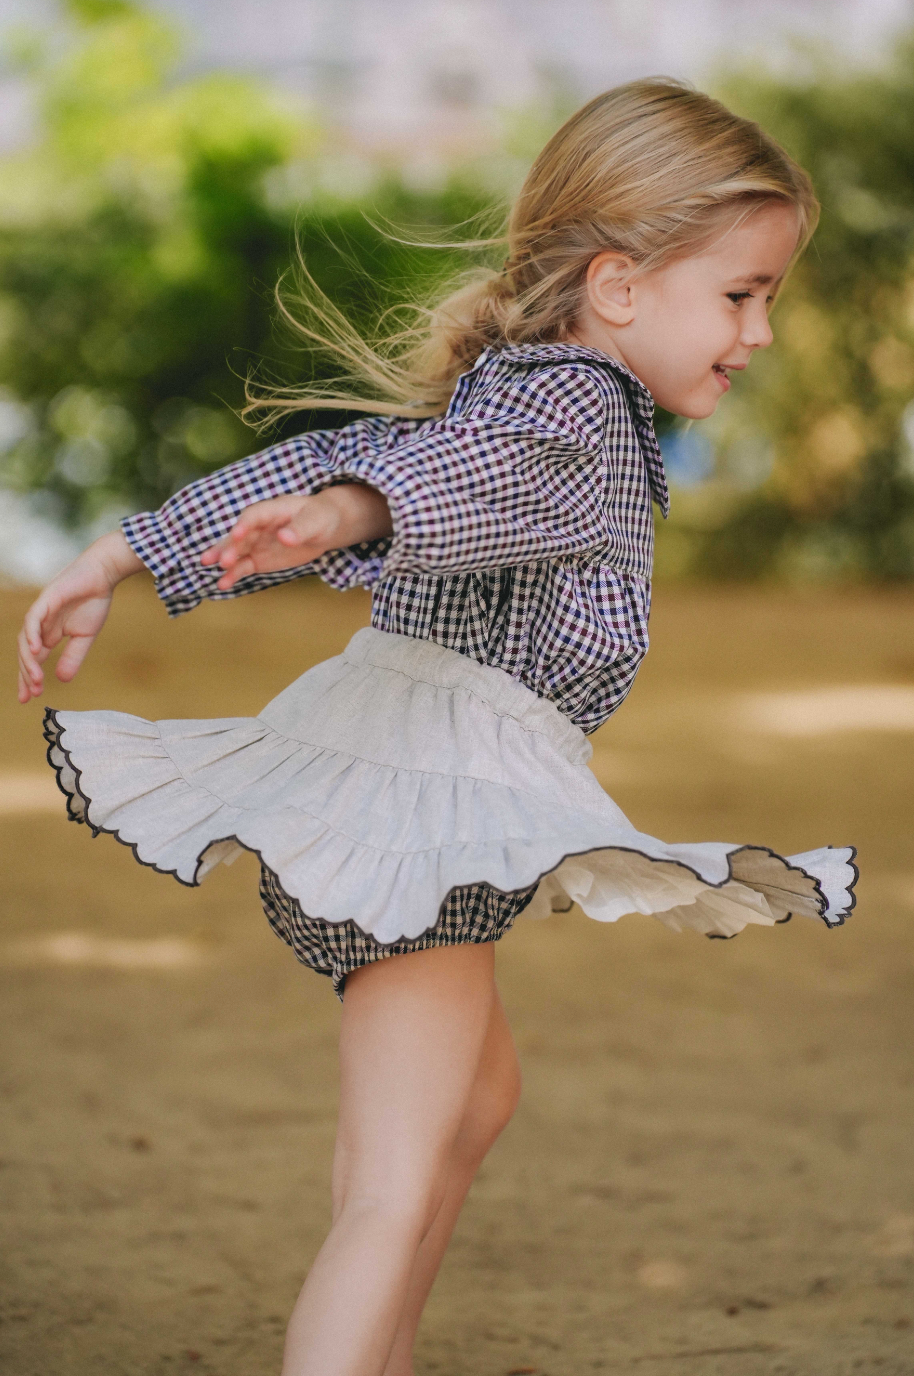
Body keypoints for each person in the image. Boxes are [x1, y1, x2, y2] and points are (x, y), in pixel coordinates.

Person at [17, 79, 856, 1376]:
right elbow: (455, 481)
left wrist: (136, 542)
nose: (756, 331)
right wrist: (351, 513)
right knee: (390, 1186)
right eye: (741, 293)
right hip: (421, 819)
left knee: (471, 1101)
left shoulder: (539, 384)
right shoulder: (569, 410)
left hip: (411, 795)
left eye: (767, 298)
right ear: (619, 285)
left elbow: (391, 457)